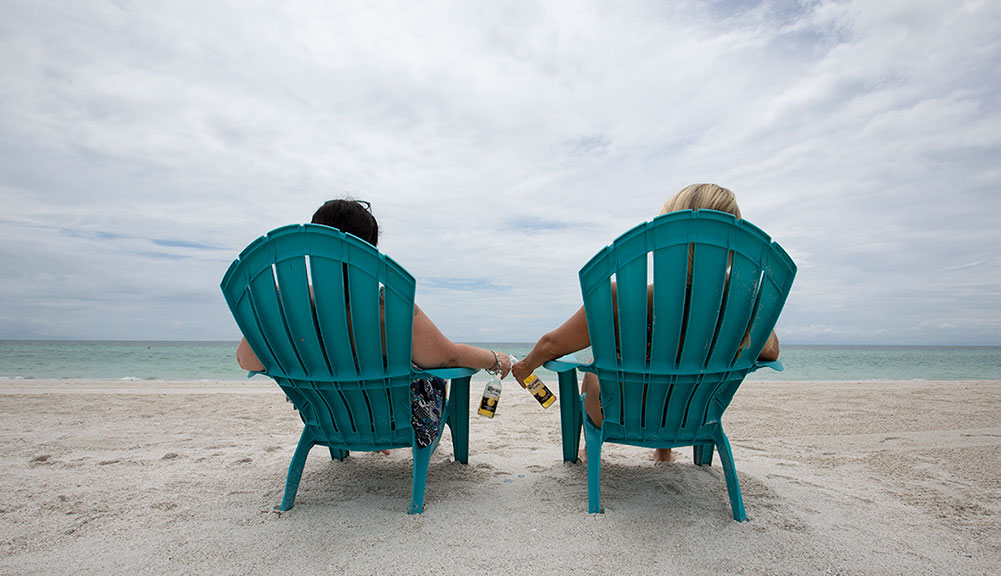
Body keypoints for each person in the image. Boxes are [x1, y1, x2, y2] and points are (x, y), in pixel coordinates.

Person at [511, 183, 779, 463]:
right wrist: (748, 309)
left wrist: (526, 366)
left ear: (666, 237)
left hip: (618, 415)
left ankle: (591, 450)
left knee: (597, 362)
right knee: (680, 369)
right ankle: (664, 451)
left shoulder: (618, 300)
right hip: (695, 416)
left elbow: (552, 345)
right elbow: (770, 352)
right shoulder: (739, 310)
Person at [237, 198, 511, 448]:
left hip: (328, 418)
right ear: (370, 251)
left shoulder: (290, 306)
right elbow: (449, 358)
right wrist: (495, 359)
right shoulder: (387, 309)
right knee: (432, 372)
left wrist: (289, 298)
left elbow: (247, 360)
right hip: (395, 421)